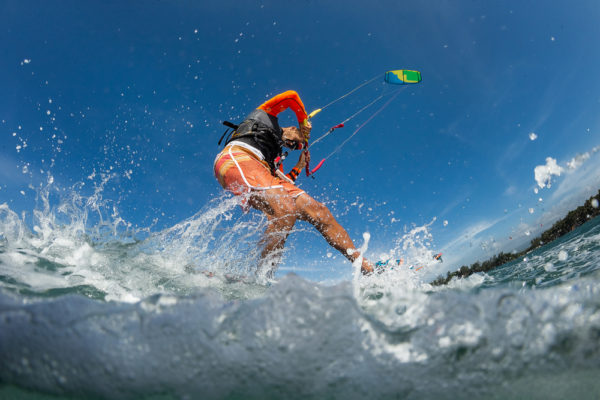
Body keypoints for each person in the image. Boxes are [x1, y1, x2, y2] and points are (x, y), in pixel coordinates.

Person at [213, 90, 374, 277]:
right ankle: (260, 278)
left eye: (294, 147)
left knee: (319, 212)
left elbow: (283, 183)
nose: (292, 146)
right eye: (294, 142)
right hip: (237, 158)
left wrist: (299, 165)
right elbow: (291, 96)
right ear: (291, 128)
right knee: (284, 205)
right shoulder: (266, 115)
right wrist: (303, 122)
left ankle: (366, 268)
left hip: (259, 170)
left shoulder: (272, 159)